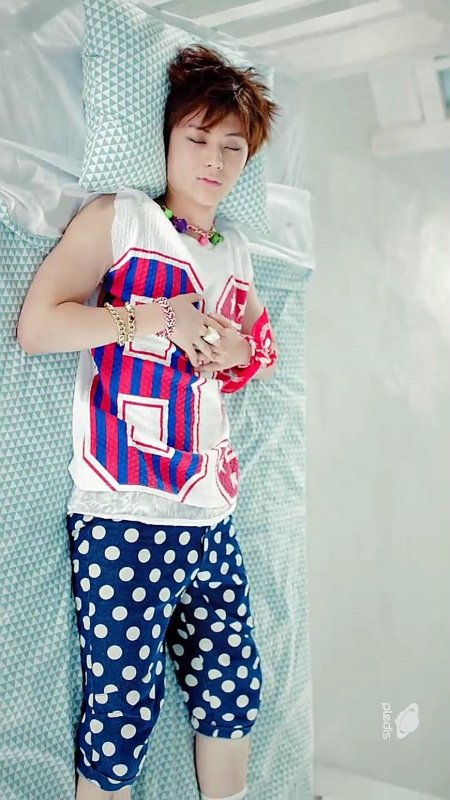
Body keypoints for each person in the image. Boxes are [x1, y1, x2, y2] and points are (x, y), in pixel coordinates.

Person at [17, 44, 280, 800]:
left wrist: (238, 349)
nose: (214, 161)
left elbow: (263, 353)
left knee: (236, 687)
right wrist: (157, 319)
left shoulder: (237, 252)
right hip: (124, 510)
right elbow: (38, 327)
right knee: (124, 710)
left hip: (212, 510)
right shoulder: (122, 219)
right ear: (165, 139)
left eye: (233, 147)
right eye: (197, 138)